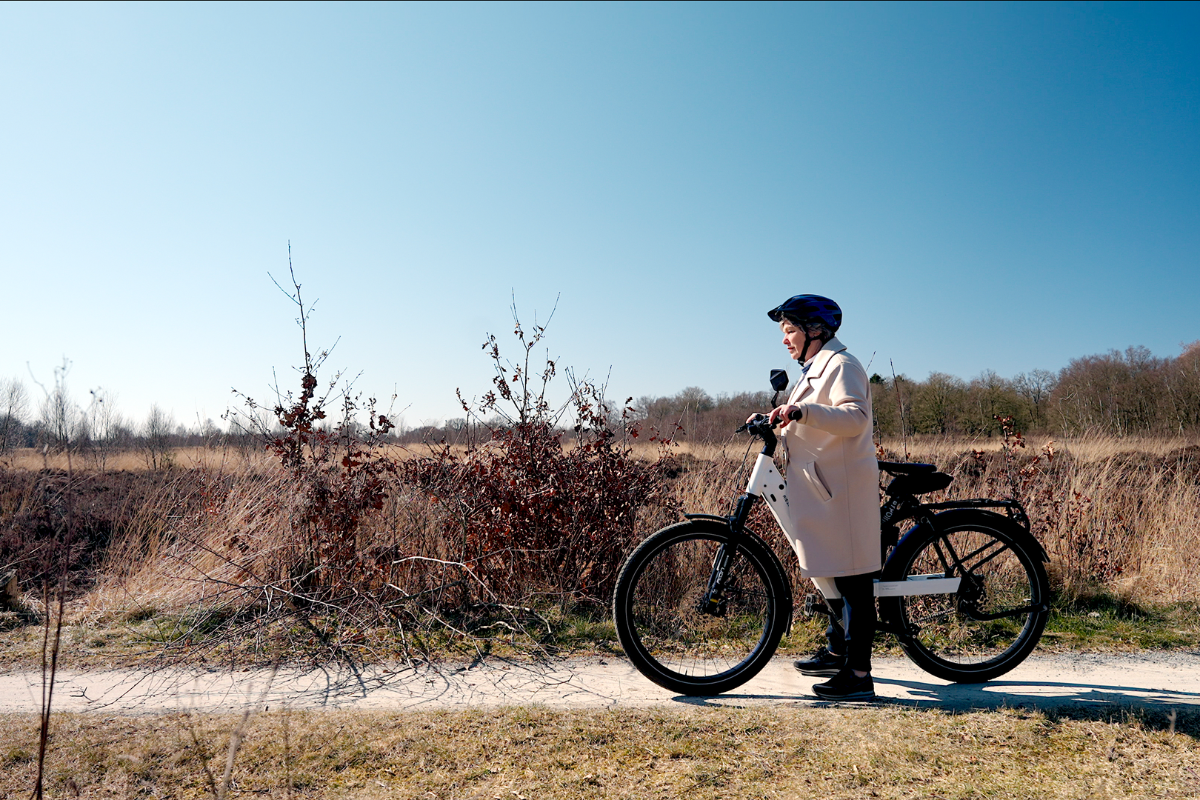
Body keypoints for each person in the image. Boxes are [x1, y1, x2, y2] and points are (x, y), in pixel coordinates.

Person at [758, 294, 881, 701]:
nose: (785, 340)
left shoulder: (842, 364)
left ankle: (859, 675)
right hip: (823, 486)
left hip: (841, 490)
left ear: (816, 331)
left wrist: (801, 413)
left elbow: (855, 416)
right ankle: (836, 650)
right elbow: (805, 419)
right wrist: (774, 420)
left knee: (852, 581)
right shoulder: (816, 367)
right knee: (831, 571)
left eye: (790, 330)